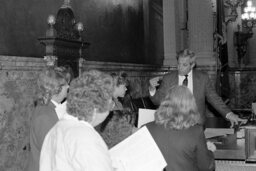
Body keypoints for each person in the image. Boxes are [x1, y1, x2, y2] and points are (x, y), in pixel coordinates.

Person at [149, 49, 247, 127]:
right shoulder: (168, 78)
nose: (180, 67)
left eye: (184, 65)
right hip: (174, 125)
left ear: (192, 65)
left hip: (197, 124)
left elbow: (214, 99)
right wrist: (152, 89)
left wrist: (229, 114)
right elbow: (158, 101)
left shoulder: (202, 78)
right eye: (178, 64)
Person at [40, 70, 115, 171]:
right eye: (110, 104)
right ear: (96, 108)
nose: (111, 108)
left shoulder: (56, 129)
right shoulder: (86, 138)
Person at [146, 86, 215, 171]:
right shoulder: (196, 131)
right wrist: (210, 152)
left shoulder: (146, 128)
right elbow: (206, 167)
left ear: (165, 102)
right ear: (191, 105)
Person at [26, 66, 71, 171]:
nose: (68, 87)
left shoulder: (51, 107)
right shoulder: (45, 115)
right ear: (56, 89)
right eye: (65, 84)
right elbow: (52, 152)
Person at [98, 72, 135, 148]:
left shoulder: (118, 103)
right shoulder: (106, 105)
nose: (126, 88)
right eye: (124, 86)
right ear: (115, 86)